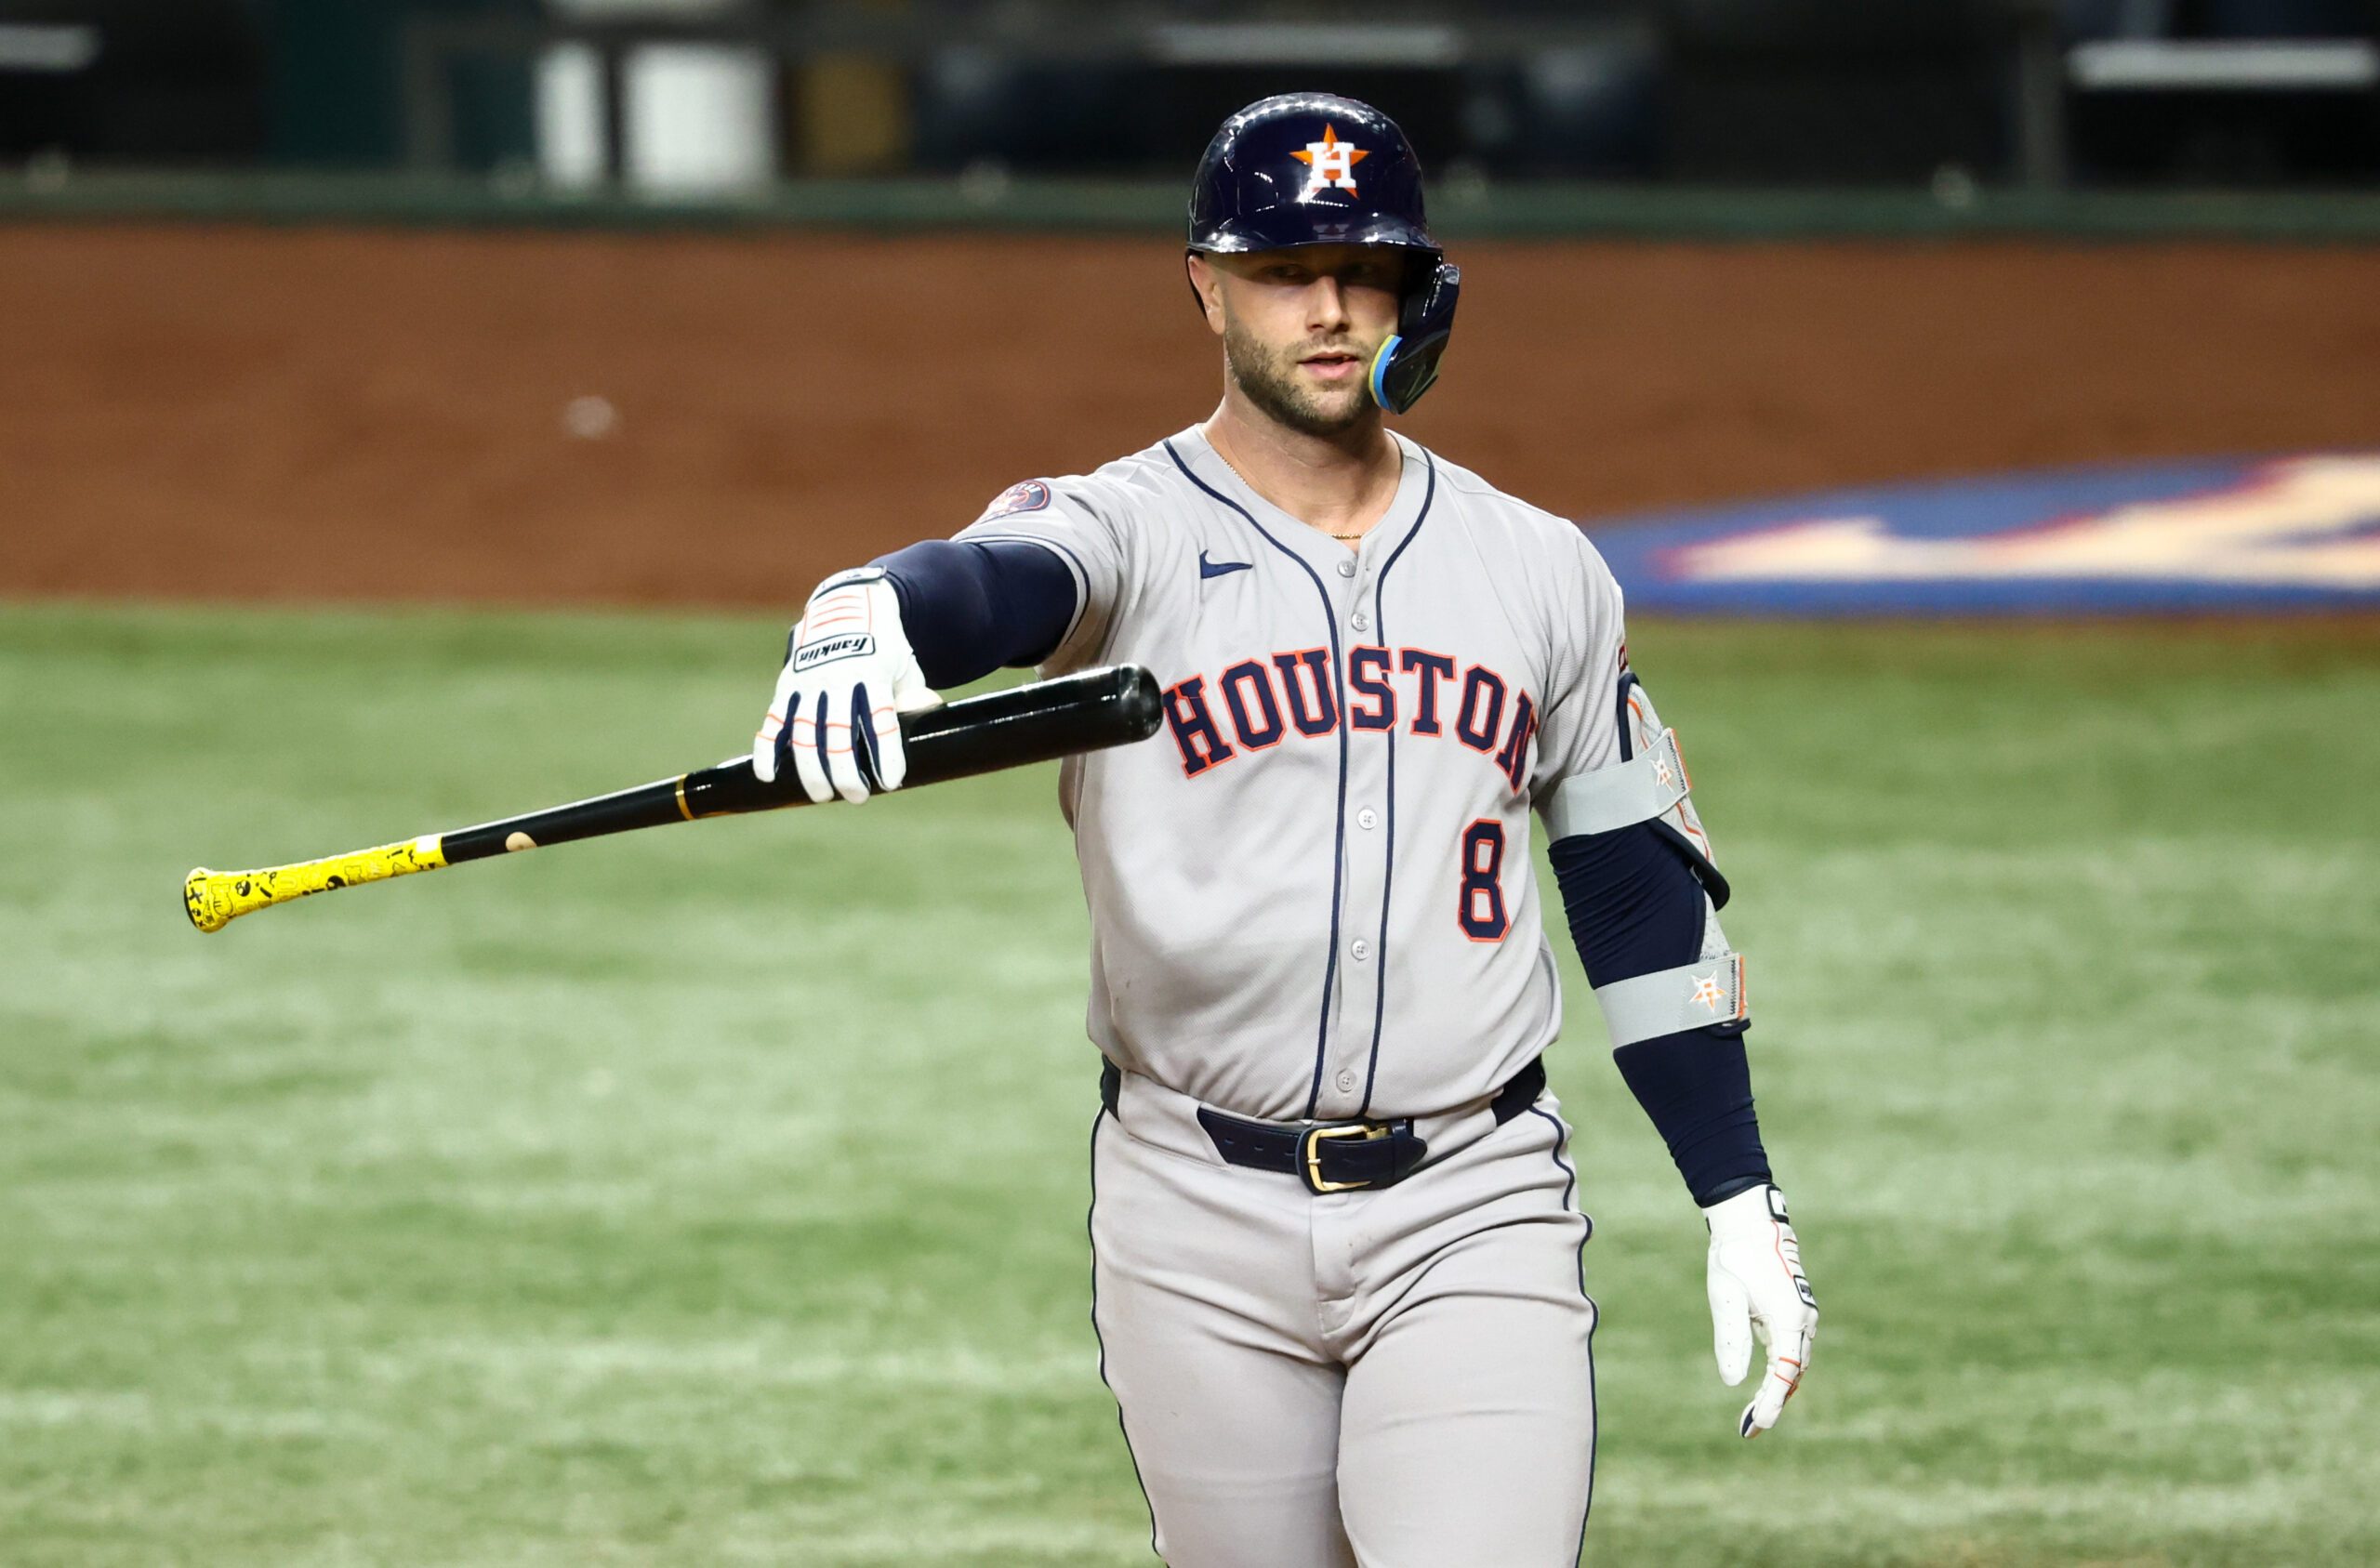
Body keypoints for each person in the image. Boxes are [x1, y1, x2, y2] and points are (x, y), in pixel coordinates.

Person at [748, 91, 1818, 1567]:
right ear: (1205, 285)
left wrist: (1736, 1187)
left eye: (1362, 268)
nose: (1325, 309)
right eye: (1279, 270)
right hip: (1190, 1215)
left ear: (1415, 287)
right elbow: (1006, 578)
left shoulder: (1539, 570)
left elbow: (1632, 888)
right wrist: (875, 605)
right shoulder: (1123, 527)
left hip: (1472, 1206)